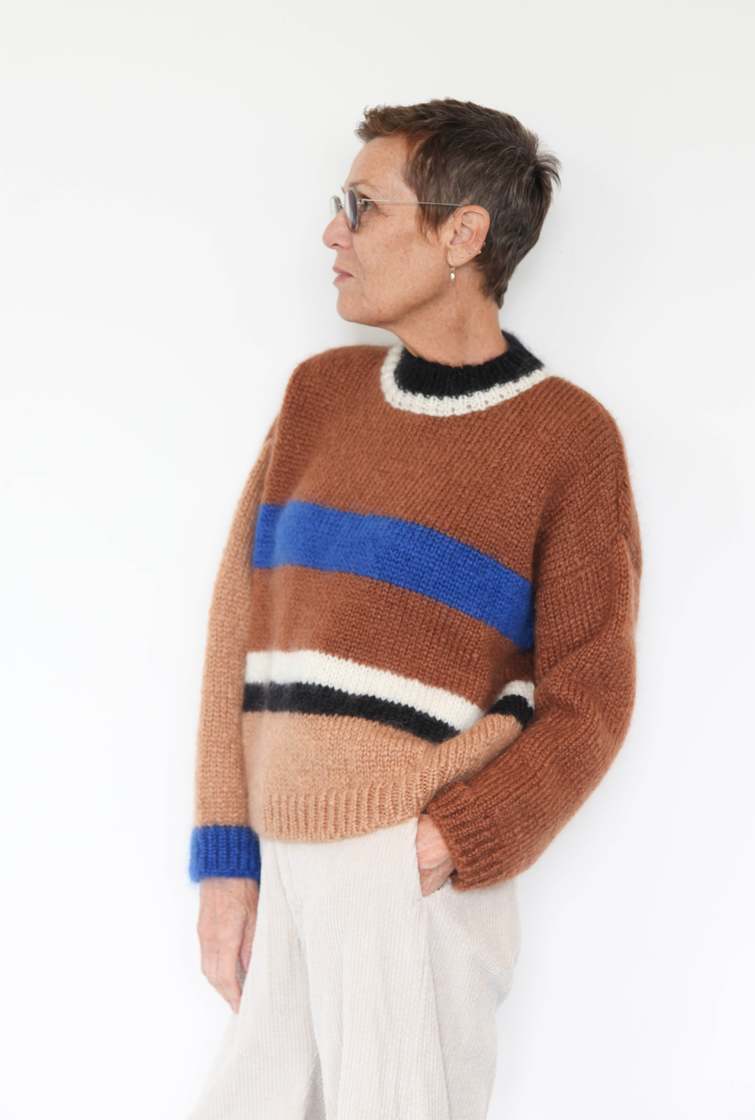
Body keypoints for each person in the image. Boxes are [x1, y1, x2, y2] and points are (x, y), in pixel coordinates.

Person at [186, 97, 642, 1120]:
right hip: (281, 865)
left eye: (363, 206)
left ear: (462, 235)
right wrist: (226, 862)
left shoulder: (567, 441)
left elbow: (591, 697)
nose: (332, 232)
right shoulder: (318, 396)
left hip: (409, 869)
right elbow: (235, 635)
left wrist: (454, 838)